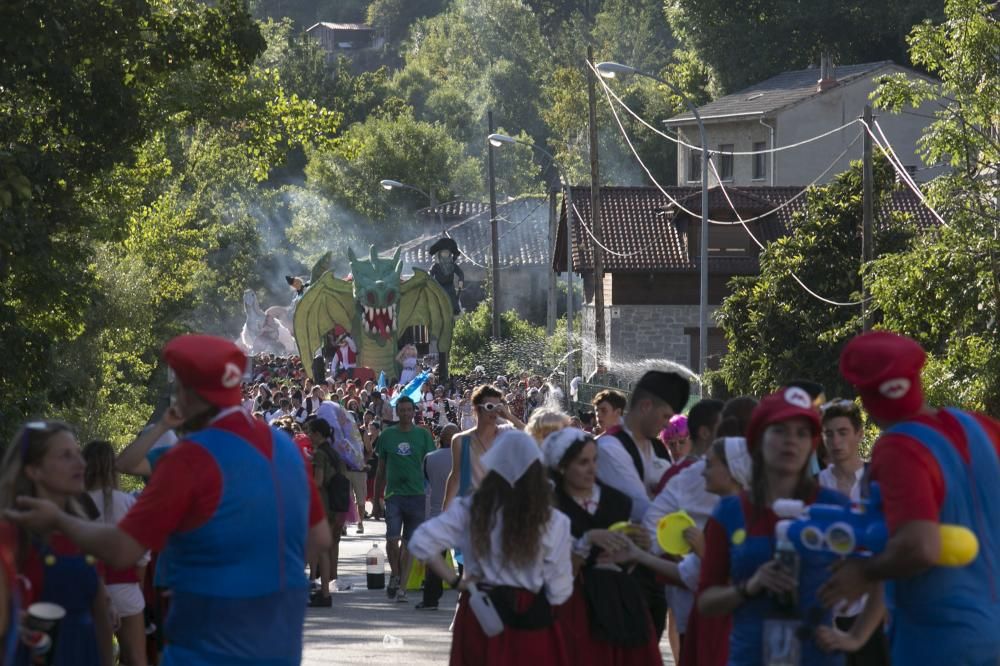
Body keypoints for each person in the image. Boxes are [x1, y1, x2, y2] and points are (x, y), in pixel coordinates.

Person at [6, 335, 332, 666]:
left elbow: (122, 549)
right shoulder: (283, 446)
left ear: (188, 395)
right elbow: (319, 537)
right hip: (281, 642)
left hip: (208, 643)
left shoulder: (191, 457)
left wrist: (59, 520)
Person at [819, 331, 1000, 665]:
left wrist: (864, 572)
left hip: (940, 642)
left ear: (865, 395)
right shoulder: (984, 428)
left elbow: (920, 546)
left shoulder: (898, 447)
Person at [698, 387, 850, 666]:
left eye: (802, 433)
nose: (791, 441)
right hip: (750, 656)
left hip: (819, 657)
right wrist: (749, 587)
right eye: (779, 430)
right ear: (758, 439)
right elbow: (706, 601)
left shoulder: (834, 507)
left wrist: (855, 636)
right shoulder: (729, 511)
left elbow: (879, 572)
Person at [408, 430, 574, 665]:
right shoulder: (553, 519)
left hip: (481, 608)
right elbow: (561, 588)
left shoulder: (470, 508)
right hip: (533, 611)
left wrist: (457, 582)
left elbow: (420, 542)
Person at [542, 428, 664, 666]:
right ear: (562, 466)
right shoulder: (552, 506)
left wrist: (637, 547)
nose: (592, 468)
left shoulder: (617, 501)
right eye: (582, 462)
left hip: (620, 600)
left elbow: (630, 557)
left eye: (594, 460)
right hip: (574, 604)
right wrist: (586, 541)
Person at [0, 421, 115, 666]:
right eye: (66, 456)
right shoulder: (10, 535)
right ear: (33, 470)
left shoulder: (85, 534)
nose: (81, 463)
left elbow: (101, 617)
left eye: (78, 453)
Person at [595, 371, 688, 640]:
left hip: (653, 569)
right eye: (665, 416)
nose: (666, 424)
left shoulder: (658, 449)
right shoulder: (611, 448)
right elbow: (643, 509)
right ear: (646, 406)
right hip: (620, 577)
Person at [642, 398, 724, 658]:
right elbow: (652, 525)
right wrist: (680, 555)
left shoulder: (729, 468)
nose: (676, 448)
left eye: (680, 442)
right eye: (671, 444)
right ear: (706, 432)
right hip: (687, 577)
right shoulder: (682, 476)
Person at [812, 399, 889, 666]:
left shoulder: (878, 481)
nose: (836, 441)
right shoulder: (814, 487)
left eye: (843, 432)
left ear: (859, 434)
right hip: (826, 607)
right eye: (829, 434)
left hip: (874, 610)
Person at [82, 440, 150, 666]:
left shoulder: (75, 505)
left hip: (88, 590)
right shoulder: (128, 502)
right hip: (125, 587)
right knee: (136, 659)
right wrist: (137, 584)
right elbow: (142, 553)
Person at [374, 396, 437, 602]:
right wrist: (376, 499)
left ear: (414, 412)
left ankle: (402, 588)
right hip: (394, 496)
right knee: (392, 542)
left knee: (409, 544)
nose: (405, 414)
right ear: (396, 411)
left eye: (409, 410)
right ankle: (395, 573)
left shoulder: (423, 435)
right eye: (402, 410)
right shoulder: (387, 436)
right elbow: (380, 470)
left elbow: (431, 466)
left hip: (417, 495)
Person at [443, 385, 526, 509]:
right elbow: (455, 477)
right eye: (489, 407)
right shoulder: (461, 440)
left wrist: (508, 416)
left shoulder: (506, 433)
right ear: (477, 409)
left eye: (498, 407)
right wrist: (445, 512)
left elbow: (531, 436)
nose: (494, 412)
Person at [306, 419, 349, 605]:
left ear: (317, 434)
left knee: (321, 548)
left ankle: (324, 593)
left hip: (322, 504)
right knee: (325, 547)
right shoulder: (333, 452)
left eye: (310, 432)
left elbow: (318, 481)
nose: (308, 435)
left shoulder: (320, 454)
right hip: (334, 504)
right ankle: (321, 588)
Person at [417, 423, 459, 610]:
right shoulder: (467, 457)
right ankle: (467, 599)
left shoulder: (429, 458)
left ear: (440, 438)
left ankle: (430, 599)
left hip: (436, 513)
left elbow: (425, 484)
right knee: (464, 560)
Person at [316, 400, 368, 535]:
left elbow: (367, 450)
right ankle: (344, 525)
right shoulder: (334, 443)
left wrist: (362, 463)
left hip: (357, 471)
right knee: (347, 498)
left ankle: (360, 522)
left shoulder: (359, 435)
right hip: (346, 471)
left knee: (360, 498)